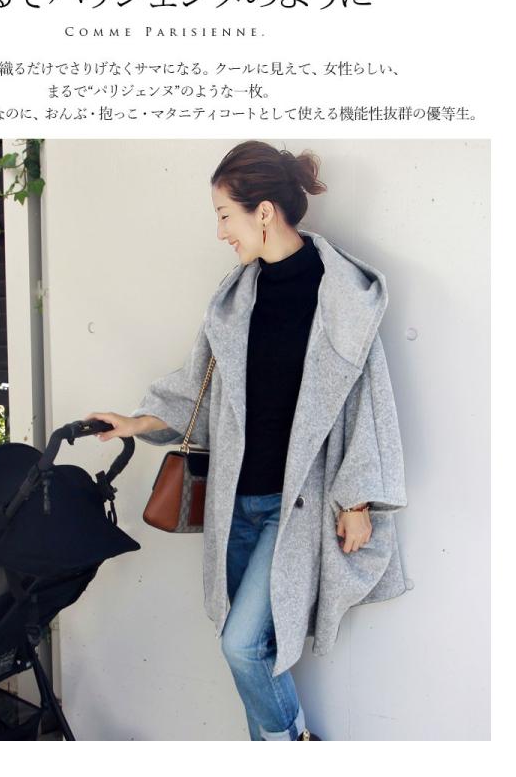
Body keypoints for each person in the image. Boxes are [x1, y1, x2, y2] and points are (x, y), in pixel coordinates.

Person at [87, 140, 408, 741]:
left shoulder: (341, 294)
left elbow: (368, 403)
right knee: (248, 645)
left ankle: (294, 745)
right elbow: (198, 389)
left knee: (242, 644)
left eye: (224, 215)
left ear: (263, 212)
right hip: (235, 502)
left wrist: (359, 499)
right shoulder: (234, 298)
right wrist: (134, 422)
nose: (219, 233)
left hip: (296, 508)